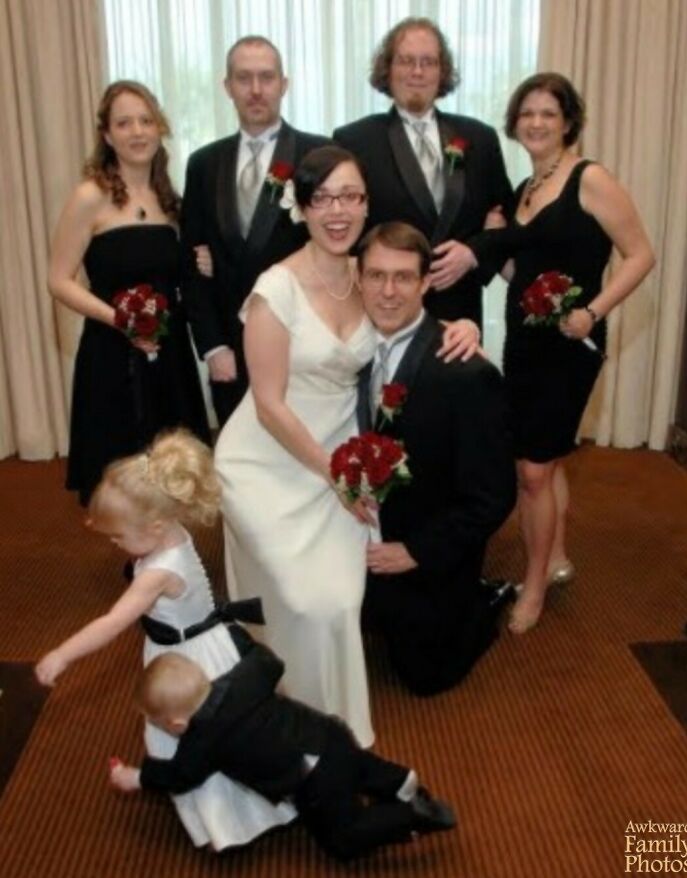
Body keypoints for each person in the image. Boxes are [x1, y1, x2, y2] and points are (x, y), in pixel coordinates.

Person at [215, 146, 479, 747]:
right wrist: (333, 473)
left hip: (346, 451)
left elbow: (409, 316)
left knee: (337, 600)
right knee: (299, 600)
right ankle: (282, 712)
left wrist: (464, 326)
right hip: (269, 460)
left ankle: (333, 728)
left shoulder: (366, 274)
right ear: (302, 207)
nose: (338, 211)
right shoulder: (275, 290)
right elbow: (268, 404)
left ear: (365, 204)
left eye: (351, 197)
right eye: (324, 198)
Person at [35, 429, 296, 850]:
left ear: (154, 527)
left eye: (119, 537)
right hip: (193, 643)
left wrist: (62, 655)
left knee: (195, 737)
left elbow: (112, 622)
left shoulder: (157, 573)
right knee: (217, 732)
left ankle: (228, 822)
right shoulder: (172, 528)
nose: (116, 545)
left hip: (186, 659)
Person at [471, 72, 655, 633]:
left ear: (568, 121)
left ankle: (532, 589)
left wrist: (593, 311)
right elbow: (520, 273)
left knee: (532, 470)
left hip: (570, 346)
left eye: (548, 113)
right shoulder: (525, 189)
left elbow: (641, 255)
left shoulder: (589, 178)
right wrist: (495, 238)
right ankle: (554, 556)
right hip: (525, 341)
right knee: (544, 459)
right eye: (527, 113)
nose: (536, 122)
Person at [356, 222, 517, 695]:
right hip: (359, 535)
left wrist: (416, 552)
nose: (388, 292)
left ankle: (486, 600)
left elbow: (493, 497)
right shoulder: (344, 350)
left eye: (404, 277)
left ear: (426, 282)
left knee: (426, 678)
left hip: (427, 550)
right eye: (376, 276)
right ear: (358, 279)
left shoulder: (466, 374)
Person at [109, 648, 456, 860]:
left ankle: (409, 815)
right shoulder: (242, 678)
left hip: (311, 778)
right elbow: (269, 661)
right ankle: (398, 779)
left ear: (177, 723)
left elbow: (180, 776)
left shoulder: (201, 741)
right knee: (359, 766)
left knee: (342, 838)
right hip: (329, 734)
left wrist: (136, 776)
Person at [48, 80, 210, 506]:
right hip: (112, 351)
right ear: (107, 135)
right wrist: (121, 321)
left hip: (169, 353)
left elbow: (181, 273)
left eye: (145, 120)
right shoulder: (90, 197)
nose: (137, 131)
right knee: (120, 475)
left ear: (159, 128)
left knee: (172, 468)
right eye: (124, 123)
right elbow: (58, 280)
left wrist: (202, 262)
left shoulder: (169, 199)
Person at [181, 36, 330, 425]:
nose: (256, 89)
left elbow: (336, 249)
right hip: (230, 349)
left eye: (267, 77)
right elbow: (190, 265)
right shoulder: (203, 164)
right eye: (244, 78)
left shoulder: (319, 155)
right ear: (227, 86)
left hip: (301, 347)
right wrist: (213, 346)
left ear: (284, 84)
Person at [333, 16, 513, 328]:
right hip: (383, 314)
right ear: (388, 69)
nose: (417, 72)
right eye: (406, 61)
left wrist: (473, 253)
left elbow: (507, 220)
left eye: (428, 62)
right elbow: (343, 228)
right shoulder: (354, 141)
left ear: (442, 72)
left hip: (460, 317)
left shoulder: (480, 139)